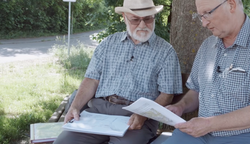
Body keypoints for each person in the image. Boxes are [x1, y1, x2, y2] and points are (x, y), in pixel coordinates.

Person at [53, 0, 183, 143]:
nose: (142, 25)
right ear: (124, 17)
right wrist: (75, 107)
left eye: (147, 18)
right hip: (98, 111)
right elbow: (91, 79)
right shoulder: (108, 43)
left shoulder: (166, 52)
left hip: (136, 117)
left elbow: (167, 94)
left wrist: (143, 115)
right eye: (135, 20)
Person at [162, 0, 250, 144]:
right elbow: (196, 91)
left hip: (244, 136)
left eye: (207, 13)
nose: (204, 24)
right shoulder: (207, 46)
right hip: (198, 135)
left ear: (231, 5)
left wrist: (210, 124)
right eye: (201, 16)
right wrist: (180, 106)